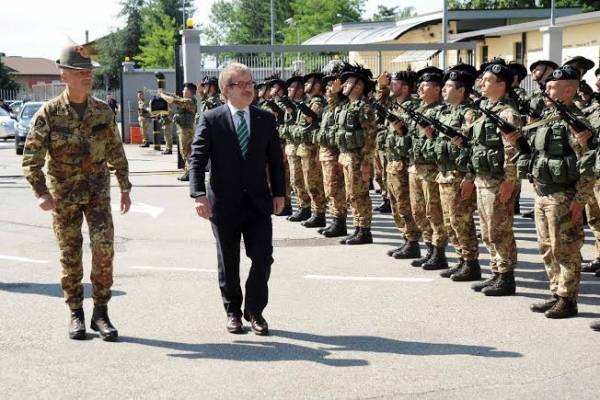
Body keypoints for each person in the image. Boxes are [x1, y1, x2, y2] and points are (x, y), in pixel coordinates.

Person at [21, 44, 132, 341]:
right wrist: (41, 192)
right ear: (64, 76)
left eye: (89, 72)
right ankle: (75, 313)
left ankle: (101, 313)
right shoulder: (50, 113)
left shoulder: (102, 111)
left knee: (103, 248)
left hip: (97, 193)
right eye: (80, 72)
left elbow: (115, 151)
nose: (87, 77)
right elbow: (31, 158)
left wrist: (125, 186)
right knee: (70, 255)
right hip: (64, 197)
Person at [189, 62, 285, 336]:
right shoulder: (211, 119)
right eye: (240, 84)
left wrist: (279, 193)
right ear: (225, 90)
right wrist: (198, 194)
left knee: (263, 257)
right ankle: (233, 312)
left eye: (250, 84)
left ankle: (255, 311)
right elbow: (196, 160)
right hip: (224, 203)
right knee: (228, 260)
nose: (247, 89)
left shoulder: (265, 118)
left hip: (258, 202)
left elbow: (275, 161)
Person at [521, 65, 593, 319]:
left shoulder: (577, 123)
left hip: (564, 195)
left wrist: (580, 199)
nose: (547, 90)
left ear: (570, 91)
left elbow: (588, 165)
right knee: (547, 247)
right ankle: (556, 292)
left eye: (553, 87)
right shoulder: (547, 118)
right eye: (548, 86)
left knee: (566, 248)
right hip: (543, 192)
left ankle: (568, 299)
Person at [469, 63, 523, 296]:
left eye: (488, 80)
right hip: (483, 178)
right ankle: (496, 272)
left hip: (498, 180)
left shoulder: (507, 113)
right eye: (482, 79)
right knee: (488, 229)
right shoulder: (485, 109)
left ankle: (506, 276)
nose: (482, 83)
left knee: (500, 229)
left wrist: (509, 180)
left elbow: (512, 150)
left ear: (502, 85)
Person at [336, 64, 377, 245]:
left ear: (359, 87)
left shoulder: (364, 108)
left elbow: (370, 137)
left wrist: (366, 162)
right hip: (346, 155)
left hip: (357, 158)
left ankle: (365, 230)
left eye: (349, 82)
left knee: (360, 194)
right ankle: (357, 227)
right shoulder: (346, 106)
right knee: (351, 194)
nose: (344, 84)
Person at [159, 83, 198, 181]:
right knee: (184, 152)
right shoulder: (185, 100)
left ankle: (190, 173)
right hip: (183, 130)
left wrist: (162, 95)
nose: (182, 91)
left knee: (187, 152)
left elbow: (172, 100)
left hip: (187, 132)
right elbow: (174, 96)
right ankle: (188, 172)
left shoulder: (189, 101)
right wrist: (164, 92)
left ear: (189, 92)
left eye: (184, 90)